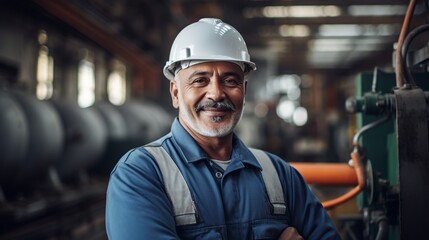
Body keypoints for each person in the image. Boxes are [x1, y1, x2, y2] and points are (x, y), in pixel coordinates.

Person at [105, 18, 340, 239]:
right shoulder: (140, 174)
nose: (216, 93)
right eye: (200, 80)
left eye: (230, 80)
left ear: (244, 92)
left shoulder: (280, 175)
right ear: (176, 93)